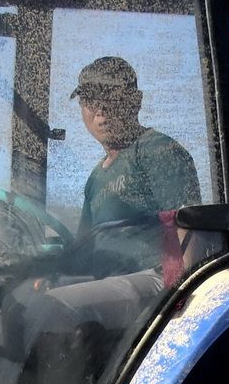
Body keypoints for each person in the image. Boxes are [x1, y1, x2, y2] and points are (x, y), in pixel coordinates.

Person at [66, 56, 199, 281]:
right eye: (90, 100)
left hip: (154, 284)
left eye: (111, 97)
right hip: (112, 286)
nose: (101, 111)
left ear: (135, 101)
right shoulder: (95, 179)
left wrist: (184, 296)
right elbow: (83, 251)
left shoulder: (156, 150)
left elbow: (192, 229)